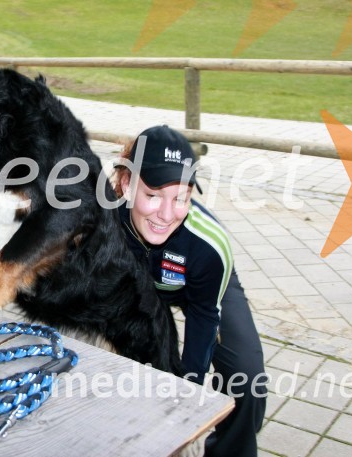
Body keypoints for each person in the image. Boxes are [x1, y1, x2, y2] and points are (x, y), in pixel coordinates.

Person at [113, 125, 266, 457]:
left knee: (247, 378)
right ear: (126, 184)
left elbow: (203, 317)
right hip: (134, 290)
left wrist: (189, 391)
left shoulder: (208, 244)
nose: (166, 214)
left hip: (198, 290)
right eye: (153, 195)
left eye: (180, 197)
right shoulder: (101, 221)